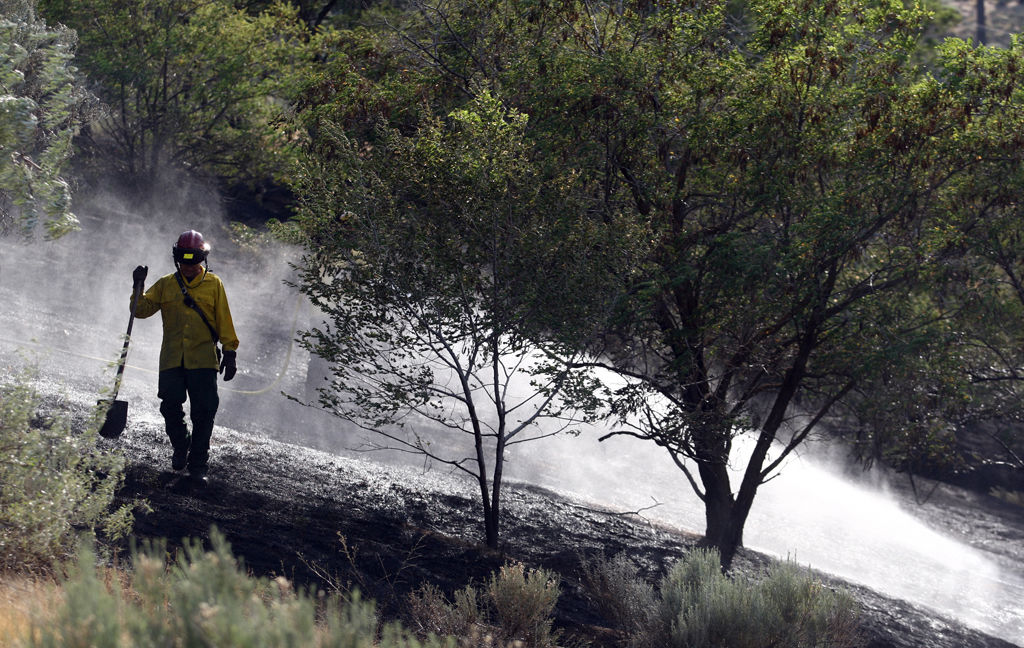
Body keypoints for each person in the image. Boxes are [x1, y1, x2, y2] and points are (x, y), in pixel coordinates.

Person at [131, 230, 239, 477]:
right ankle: (181, 445)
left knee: (204, 412)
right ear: (176, 258)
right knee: (169, 406)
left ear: (202, 259)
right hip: (172, 359)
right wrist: (138, 286)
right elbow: (140, 311)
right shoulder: (166, 284)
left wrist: (230, 352)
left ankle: (198, 465)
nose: (189, 266)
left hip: (203, 360)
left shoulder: (214, 285)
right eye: (184, 260)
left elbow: (224, 320)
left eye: (194, 260)